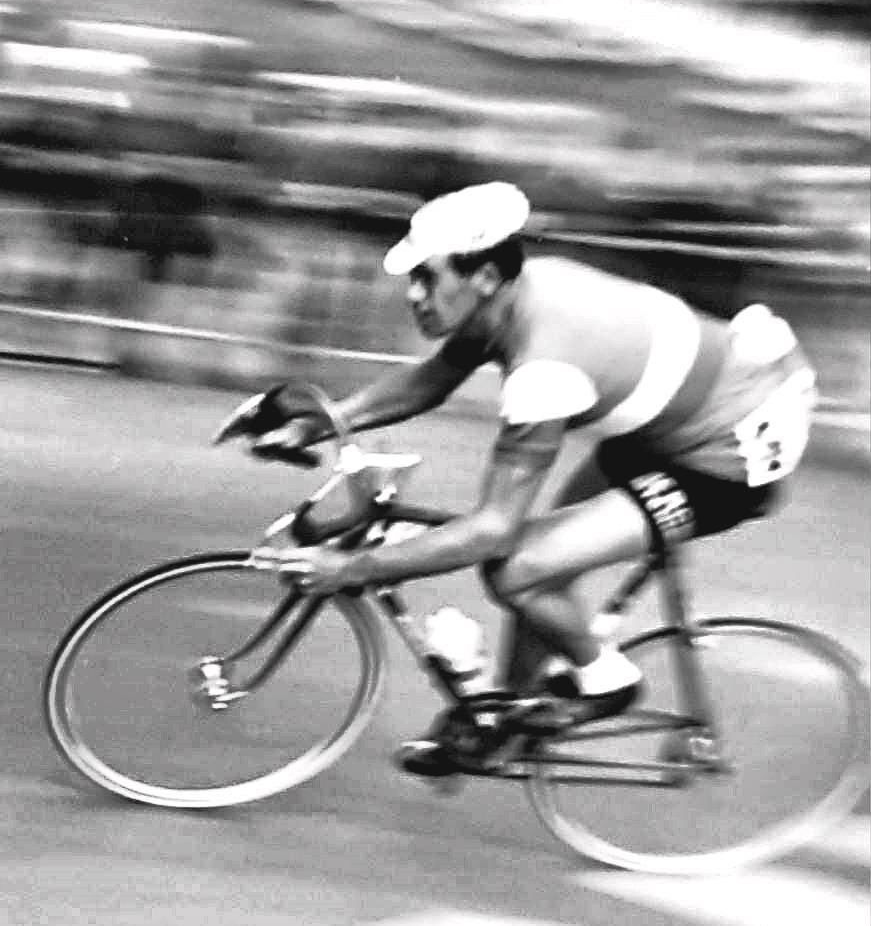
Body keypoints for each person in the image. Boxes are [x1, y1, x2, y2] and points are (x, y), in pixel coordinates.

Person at [243, 181, 817, 777]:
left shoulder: (544, 371)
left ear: (485, 276)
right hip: (679, 420)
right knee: (542, 558)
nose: (413, 294)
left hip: (728, 458)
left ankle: (606, 679)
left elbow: (492, 529)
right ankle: (502, 720)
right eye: (412, 277)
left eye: (426, 278)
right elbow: (429, 383)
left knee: (517, 565)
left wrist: (351, 569)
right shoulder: (514, 292)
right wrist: (321, 424)